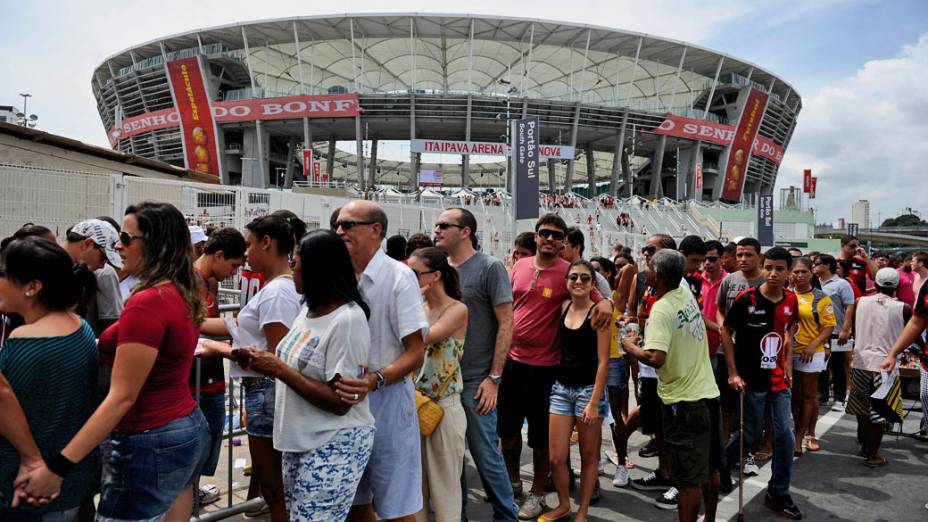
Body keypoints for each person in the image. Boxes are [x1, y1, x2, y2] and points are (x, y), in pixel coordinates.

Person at [16, 201, 211, 522]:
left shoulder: (147, 303)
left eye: (126, 237)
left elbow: (122, 397)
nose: (117, 245)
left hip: (148, 436)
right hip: (183, 426)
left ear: (154, 244)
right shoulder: (177, 290)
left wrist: (60, 466)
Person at [237, 230, 376, 520]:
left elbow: (340, 402)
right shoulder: (307, 310)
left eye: (295, 260)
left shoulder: (348, 320)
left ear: (317, 268)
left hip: (332, 442)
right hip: (298, 441)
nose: (290, 267)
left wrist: (278, 369)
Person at [500, 214, 611, 520]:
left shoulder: (569, 273)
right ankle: (512, 483)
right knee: (508, 434)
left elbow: (599, 299)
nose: (549, 238)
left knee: (541, 442)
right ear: (535, 236)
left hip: (547, 370)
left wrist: (608, 304)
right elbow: (506, 307)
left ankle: (537, 492)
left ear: (564, 242)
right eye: (544, 233)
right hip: (513, 364)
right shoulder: (518, 267)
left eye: (556, 235)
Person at [330, 200, 429, 522]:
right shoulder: (336, 277)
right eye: (338, 225)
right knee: (355, 501)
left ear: (376, 230)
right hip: (343, 405)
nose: (340, 231)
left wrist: (375, 380)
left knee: (396, 506)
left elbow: (416, 352)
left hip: (386, 401)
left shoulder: (399, 277)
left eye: (348, 225)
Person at [0, 237, 98, 520]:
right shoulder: (79, 327)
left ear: (32, 287)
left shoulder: (25, 342)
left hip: (27, 489)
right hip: (70, 481)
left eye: (4, 273)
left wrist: (30, 459)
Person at [624, 249, 722, 522]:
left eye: (649, 266)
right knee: (711, 467)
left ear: (657, 275)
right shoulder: (685, 294)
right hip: (708, 394)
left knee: (688, 480)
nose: (646, 271)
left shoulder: (663, 308)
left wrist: (630, 346)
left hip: (683, 403)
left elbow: (656, 358)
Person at [432, 207, 517, 522]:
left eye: (444, 225)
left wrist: (493, 378)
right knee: (451, 461)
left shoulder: (490, 268)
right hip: (443, 383)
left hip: (476, 382)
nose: (437, 229)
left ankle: (506, 516)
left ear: (465, 231)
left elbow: (506, 324)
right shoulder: (441, 270)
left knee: (486, 459)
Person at [722, 246, 802, 520]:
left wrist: (788, 363)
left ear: (789, 272)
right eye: (769, 267)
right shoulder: (747, 299)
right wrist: (733, 372)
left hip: (779, 382)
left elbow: (789, 331)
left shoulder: (791, 300)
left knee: (785, 437)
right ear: (763, 267)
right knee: (750, 436)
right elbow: (726, 331)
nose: (773, 273)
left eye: (780, 269)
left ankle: (778, 493)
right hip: (750, 380)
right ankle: (720, 466)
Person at [541, 260, 610, 522]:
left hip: (588, 391)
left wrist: (593, 402)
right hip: (561, 389)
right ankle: (562, 505)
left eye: (584, 278)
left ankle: (582, 510)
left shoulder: (599, 314)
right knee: (557, 458)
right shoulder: (563, 307)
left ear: (593, 284)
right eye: (573, 278)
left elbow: (604, 361)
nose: (578, 282)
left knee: (588, 455)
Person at [408, 247, 468, 522]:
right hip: (413, 404)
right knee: (413, 493)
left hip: (444, 407)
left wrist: (408, 303)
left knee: (446, 493)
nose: (408, 278)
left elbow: (423, 338)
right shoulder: (419, 309)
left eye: (414, 273)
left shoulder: (457, 310)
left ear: (435, 276)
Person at [190, 227, 246, 505]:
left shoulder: (208, 283)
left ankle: (193, 493)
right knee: (196, 445)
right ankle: (188, 498)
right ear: (219, 255)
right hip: (194, 381)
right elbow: (190, 329)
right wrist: (234, 334)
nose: (234, 273)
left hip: (211, 378)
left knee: (208, 441)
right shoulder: (190, 281)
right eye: (234, 265)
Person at [629, 235, 678, 506]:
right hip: (649, 368)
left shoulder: (677, 287)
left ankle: (678, 482)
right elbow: (640, 314)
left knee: (673, 430)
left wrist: (631, 348)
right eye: (644, 249)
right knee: (657, 428)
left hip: (667, 369)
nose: (645, 253)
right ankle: (664, 472)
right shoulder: (647, 282)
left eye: (651, 250)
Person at [847, 268, 909, 467]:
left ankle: (865, 444)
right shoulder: (903, 308)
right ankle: (872, 454)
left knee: (863, 407)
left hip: (860, 361)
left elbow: (856, 330)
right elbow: (909, 336)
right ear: (897, 286)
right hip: (885, 367)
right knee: (880, 412)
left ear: (876, 283)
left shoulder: (860, 302)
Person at [788, 257, 836, 455]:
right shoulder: (785, 294)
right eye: (796, 272)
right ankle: (795, 433)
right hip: (789, 354)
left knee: (808, 396)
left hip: (811, 354)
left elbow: (828, 326)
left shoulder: (821, 297)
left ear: (811, 273)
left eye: (803, 272)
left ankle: (801, 437)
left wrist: (814, 345)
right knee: (794, 397)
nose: (799, 276)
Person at [591, 256, 630, 487]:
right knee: (592, 416)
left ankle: (622, 465)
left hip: (614, 362)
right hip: (592, 364)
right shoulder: (584, 299)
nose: (592, 276)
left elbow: (629, 271)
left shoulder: (615, 298)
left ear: (607, 274)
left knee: (615, 416)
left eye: (597, 271)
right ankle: (594, 461)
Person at [64, 219, 124, 335]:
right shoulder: (47, 266)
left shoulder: (87, 272)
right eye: (103, 258)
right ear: (87, 244)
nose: (102, 265)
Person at [813, 254, 856, 410]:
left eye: (816, 263)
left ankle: (839, 397)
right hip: (818, 331)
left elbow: (849, 307)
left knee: (837, 364)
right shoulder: (814, 282)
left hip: (838, 331)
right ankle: (822, 394)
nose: (813, 267)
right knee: (820, 363)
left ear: (827, 266)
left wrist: (846, 329)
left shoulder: (841, 284)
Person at [701, 241, 730, 439]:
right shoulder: (694, 281)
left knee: (721, 398)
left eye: (712, 259)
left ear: (722, 259)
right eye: (704, 260)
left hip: (722, 349)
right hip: (698, 349)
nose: (707, 264)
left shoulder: (730, 281)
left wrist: (723, 333)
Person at [561, 228, 611, 296]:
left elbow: (606, 304)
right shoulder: (557, 272)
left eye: (565, 244)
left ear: (577, 248)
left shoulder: (597, 279)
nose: (560, 248)